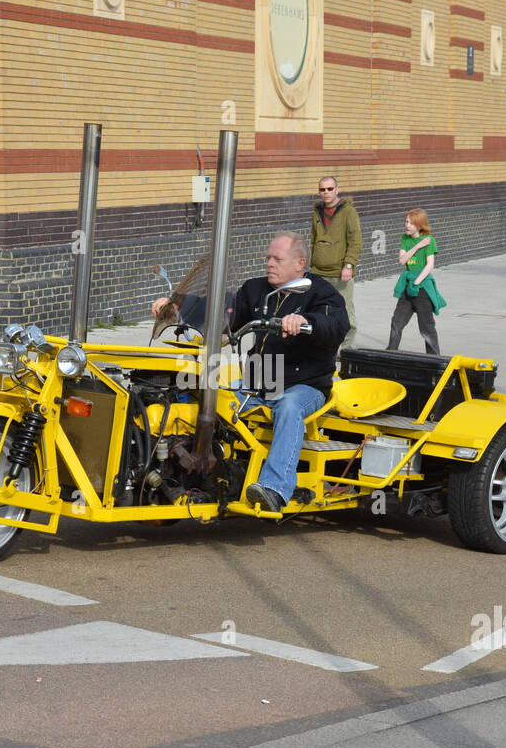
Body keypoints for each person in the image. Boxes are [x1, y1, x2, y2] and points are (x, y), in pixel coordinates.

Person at [156, 232, 348, 514]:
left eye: (277, 259)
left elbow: (335, 325)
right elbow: (222, 314)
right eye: (267, 258)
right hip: (259, 382)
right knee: (207, 395)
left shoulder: (321, 293)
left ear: (300, 263)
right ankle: (194, 470)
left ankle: (275, 489)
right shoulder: (256, 289)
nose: (269, 263)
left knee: (288, 406)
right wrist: (175, 308)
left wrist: (306, 321)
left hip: (304, 386)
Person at [310, 176, 361, 349]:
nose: (326, 193)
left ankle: (347, 349)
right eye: (322, 189)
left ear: (337, 190)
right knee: (318, 310)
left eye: (330, 189)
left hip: (340, 272)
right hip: (318, 271)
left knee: (345, 310)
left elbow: (355, 241)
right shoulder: (317, 211)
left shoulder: (348, 211)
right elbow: (313, 238)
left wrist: (349, 265)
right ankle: (322, 345)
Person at [388, 209, 446, 354]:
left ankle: (434, 358)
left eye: (410, 223)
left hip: (422, 290)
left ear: (419, 225)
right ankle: (391, 352)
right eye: (406, 221)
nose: (407, 225)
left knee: (426, 327)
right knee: (396, 323)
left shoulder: (429, 240)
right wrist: (417, 246)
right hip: (407, 288)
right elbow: (402, 260)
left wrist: (416, 283)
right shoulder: (405, 238)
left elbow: (430, 265)